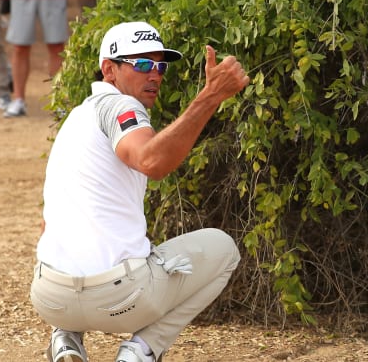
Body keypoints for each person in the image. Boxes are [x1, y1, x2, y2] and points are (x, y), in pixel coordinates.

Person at [30, 21, 247, 362]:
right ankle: (141, 351)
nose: (155, 74)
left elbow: (47, 225)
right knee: (224, 249)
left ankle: (65, 338)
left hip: (50, 297)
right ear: (109, 70)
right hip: (120, 299)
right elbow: (152, 161)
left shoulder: (75, 118)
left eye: (160, 65)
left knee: (72, 234)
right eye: (142, 64)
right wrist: (211, 95)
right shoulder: (122, 107)